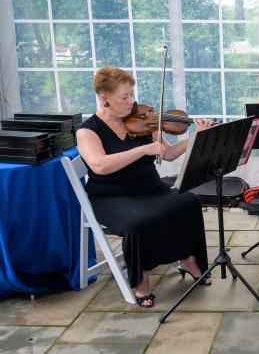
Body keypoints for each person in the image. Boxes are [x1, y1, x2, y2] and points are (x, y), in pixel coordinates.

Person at [76, 66, 213, 308]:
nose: (131, 102)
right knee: (138, 221)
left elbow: (168, 153)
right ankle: (141, 278)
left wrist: (198, 137)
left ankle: (188, 258)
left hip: (150, 188)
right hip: (111, 197)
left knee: (189, 202)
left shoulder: (142, 119)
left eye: (131, 94)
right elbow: (99, 166)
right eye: (124, 97)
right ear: (104, 98)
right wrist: (143, 149)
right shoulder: (88, 131)